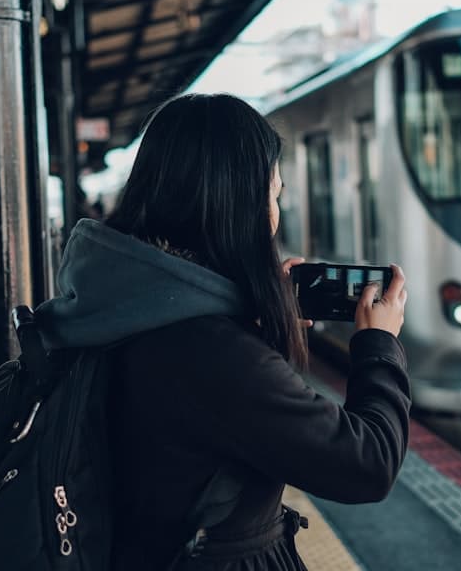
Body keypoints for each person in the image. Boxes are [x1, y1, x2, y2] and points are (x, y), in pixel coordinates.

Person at [35, 94, 411, 570]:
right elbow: (367, 465)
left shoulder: (117, 301)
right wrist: (379, 345)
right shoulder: (210, 353)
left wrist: (247, 317)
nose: (274, 215)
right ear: (238, 204)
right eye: (273, 194)